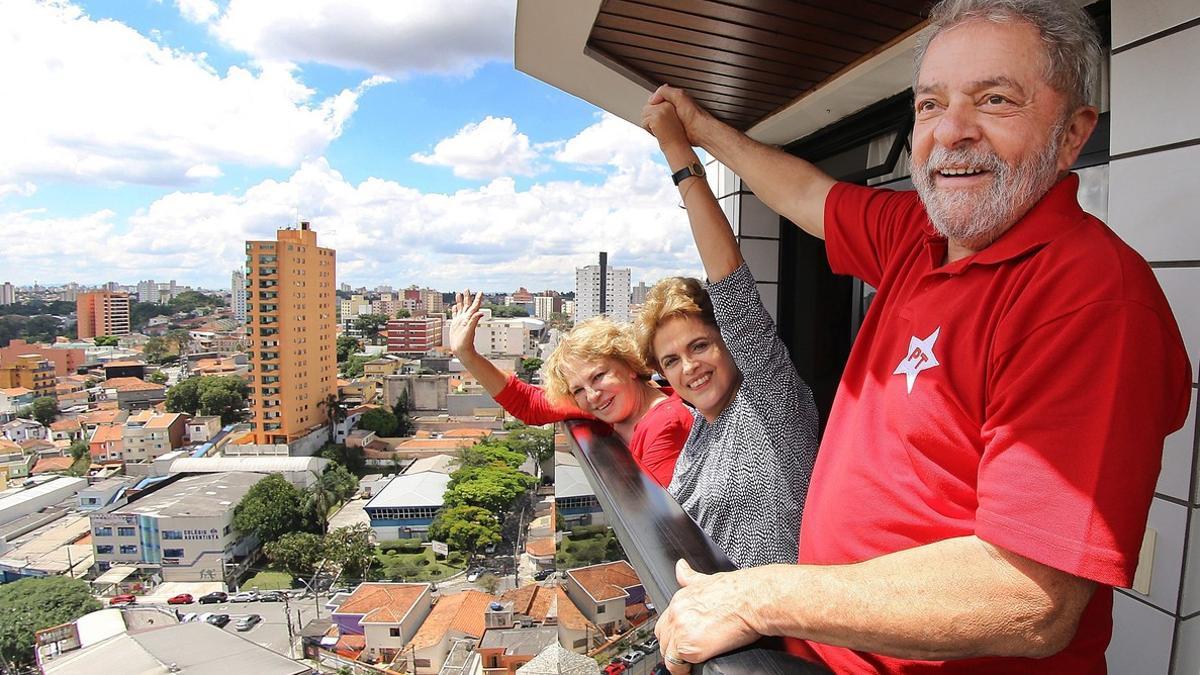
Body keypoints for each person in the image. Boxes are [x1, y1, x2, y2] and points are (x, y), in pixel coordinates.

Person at [648, 1, 1192, 673]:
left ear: (1073, 134)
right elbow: (803, 192)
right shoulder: (920, 234)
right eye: (930, 105)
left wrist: (762, 592)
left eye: (995, 99)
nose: (952, 132)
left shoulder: (1092, 297)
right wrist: (700, 129)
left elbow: (1029, 595)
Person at [636, 116, 820, 570]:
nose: (689, 367)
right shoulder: (701, 427)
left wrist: (680, 159)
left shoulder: (769, 403)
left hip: (781, 632)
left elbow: (729, 280)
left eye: (700, 346)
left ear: (729, 340)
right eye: (671, 360)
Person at [447, 290, 690, 487]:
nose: (592, 395)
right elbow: (529, 404)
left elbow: (664, 526)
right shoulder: (613, 404)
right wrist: (467, 354)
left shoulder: (665, 424)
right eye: (578, 390)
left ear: (629, 365)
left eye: (599, 376)